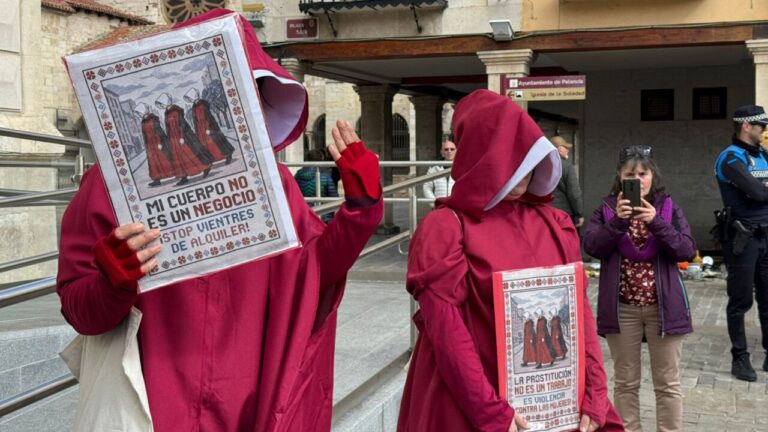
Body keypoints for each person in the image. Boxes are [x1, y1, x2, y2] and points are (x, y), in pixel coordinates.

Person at [56, 9, 383, 432]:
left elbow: (312, 273)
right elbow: (81, 311)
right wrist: (112, 283)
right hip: (150, 408)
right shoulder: (107, 187)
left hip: (250, 400)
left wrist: (361, 207)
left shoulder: (278, 186)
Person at [398, 89, 623, 432]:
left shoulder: (555, 223)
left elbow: (578, 315)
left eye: (526, 155)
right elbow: (447, 332)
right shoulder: (444, 228)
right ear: (482, 154)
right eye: (509, 154)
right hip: (469, 406)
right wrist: (491, 413)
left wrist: (594, 390)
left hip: (555, 405)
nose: (523, 169)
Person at [584, 145, 695, 432]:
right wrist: (618, 222)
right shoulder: (608, 209)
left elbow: (686, 250)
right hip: (623, 309)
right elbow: (592, 247)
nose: (638, 179)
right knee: (625, 382)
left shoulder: (668, 207)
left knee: (668, 383)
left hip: (664, 308)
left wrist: (655, 221)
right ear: (620, 178)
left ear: (652, 175)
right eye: (630, 174)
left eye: (643, 173)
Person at [714, 104, 768, 382]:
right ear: (747, 126)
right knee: (741, 300)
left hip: (766, 237)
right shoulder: (730, 158)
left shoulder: (762, 156)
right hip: (742, 238)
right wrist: (762, 190)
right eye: (762, 126)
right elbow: (758, 193)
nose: (764, 131)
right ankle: (740, 357)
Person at [154, 92, 213, 186]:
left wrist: (181, 137)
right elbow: (168, 127)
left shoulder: (176, 112)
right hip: (174, 139)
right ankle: (183, 177)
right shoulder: (167, 113)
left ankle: (205, 167)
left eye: (162, 103)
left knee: (189, 154)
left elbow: (182, 124)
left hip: (182, 138)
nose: (161, 105)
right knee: (178, 158)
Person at [184, 87, 235, 165]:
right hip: (200, 129)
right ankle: (212, 159)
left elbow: (208, 117)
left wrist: (209, 128)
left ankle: (228, 155)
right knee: (205, 145)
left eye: (190, 98)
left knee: (216, 142)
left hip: (209, 127)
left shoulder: (202, 105)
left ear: (194, 96)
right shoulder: (194, 107)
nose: (190, 100)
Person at [134, 103, 174, 187]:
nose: (139, 114)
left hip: (157, 143)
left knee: (164, 159)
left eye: (139, 112)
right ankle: (156, 179)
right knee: (153, 163)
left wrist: (159, 143)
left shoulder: (153, 119)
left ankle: (176, 172)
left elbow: (158, 131)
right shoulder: (143, 122)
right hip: (150, 145)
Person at [295, 148, 339, 222]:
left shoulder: (297, 175)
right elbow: (334, 198)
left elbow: (294, 194)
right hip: (324, 217)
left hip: (305, 216)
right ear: (321, 160)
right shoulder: (325, 176)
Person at [550, 135, 584, 228]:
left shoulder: (541, 165)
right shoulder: (567, 167)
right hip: (564, 214)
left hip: (546, 213)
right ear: (560, 149)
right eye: (566, 148)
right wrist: (579, 213)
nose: (568, 150)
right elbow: (574, 193)